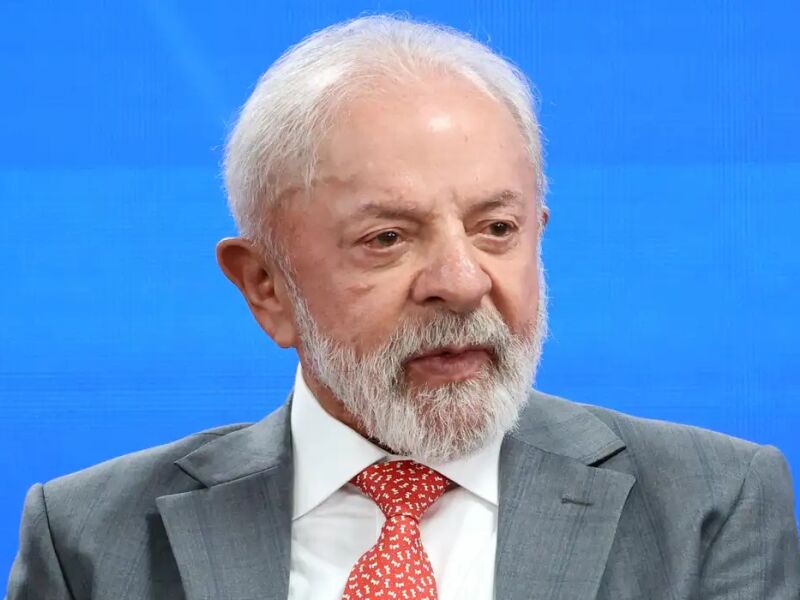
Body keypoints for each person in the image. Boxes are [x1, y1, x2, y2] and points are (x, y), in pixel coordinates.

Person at [7, 15, 800, 600]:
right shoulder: (89, 541)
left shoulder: (711, 505)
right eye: (387, 238)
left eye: (497, 229)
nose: (462, 281)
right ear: (266, 286)